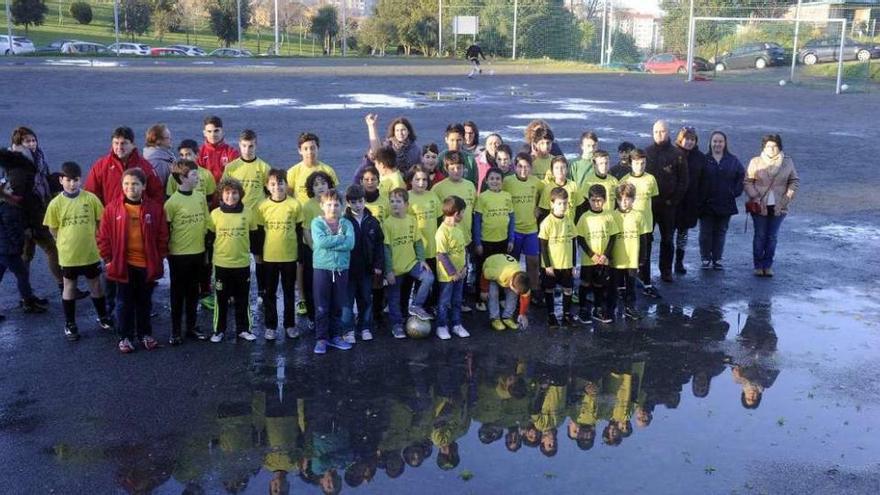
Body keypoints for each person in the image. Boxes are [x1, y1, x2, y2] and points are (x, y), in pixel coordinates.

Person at [97, 168, 168, 353]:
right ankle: (125, 337)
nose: (131, 188)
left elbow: (162, 236)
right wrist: (109, 260)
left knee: (144, 302)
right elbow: (103, 237)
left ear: (143, 186)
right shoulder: (112, 209)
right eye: (127, 184)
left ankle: (145, 334)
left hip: (146, 265)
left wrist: (159, 258)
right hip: (123, 265)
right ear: (122, 185)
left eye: (135, 184)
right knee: (123, 303)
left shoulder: (154, 209)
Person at [43, 161, 110, 339]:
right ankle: (70, 323)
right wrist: (62, 241)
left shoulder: (90, 199)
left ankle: (103, 317)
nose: (72, 184)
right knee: (69, 286)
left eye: (76, 180)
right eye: (68, 180)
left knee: (95, 284)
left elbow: (100, 221)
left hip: (90, 252)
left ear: (81, 180)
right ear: (61, 180)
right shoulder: (55, 204)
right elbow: (53, 228)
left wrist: (96, 239)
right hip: (69, 255)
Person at [11, 127, 69, 297]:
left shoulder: (37, 157)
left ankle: (26, 296)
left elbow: (43, 179)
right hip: (29, 216)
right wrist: (26, 224)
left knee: (26, 254)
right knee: (50, 249)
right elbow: (20, 195)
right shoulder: (20, 166)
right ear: (18, 144)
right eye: (27, 141)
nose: (32, 144)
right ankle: (62, 286)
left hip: (38, 210)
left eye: (33, 140)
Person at [207, 177, 260, 343]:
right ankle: (219, 330)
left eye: (235, 193)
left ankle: (243, 329)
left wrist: (257, 256)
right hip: (221, 265)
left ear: (240, 194)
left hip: (242, 264)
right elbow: (209, 238)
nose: (231, 196)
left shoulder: (248, 213)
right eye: (227, 193)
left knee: (242, 299)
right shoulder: (215, 214)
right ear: (221, 195)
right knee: (221, 300)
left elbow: (254, 237)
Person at [163, 160, 211, 344]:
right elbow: (166, 231)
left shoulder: (199, 197)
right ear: (182, 178)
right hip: (178, 255)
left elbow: (206, 221)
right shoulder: (172, 203)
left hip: (198, 252)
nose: (198, 177)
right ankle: (175, 331)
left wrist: (208, 242)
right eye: (194, 175)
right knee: (177, 293)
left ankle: (191, 327)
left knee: (193, 291)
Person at [222, 129, 271, 300]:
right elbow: (224, 193)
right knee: (235, 255)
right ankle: (233, 292)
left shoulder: (264, 167)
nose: (247, 149)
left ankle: (262, 291)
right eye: (244, 146)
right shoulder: (231, 167)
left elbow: (270, 193)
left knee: (259, 257)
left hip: (257, 220)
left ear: (256, 145)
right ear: (239, 145)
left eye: (251, 146)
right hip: (236, 219)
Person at [0, 151, 49, 317]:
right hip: (9, 249)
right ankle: (28, 302)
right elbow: (13, 229)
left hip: (3, 248)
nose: (11, 187)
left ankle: (28, 300)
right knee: (22, 274)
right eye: (7, 188)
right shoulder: (9, 208)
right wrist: (19, 244)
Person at [744, 134, 799, 277]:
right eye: (768, 146)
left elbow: (794, 181)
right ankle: (758, 265)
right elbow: (748, 181)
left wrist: (786, 199)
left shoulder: (788, 162)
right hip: (759, 205)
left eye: (774, 146)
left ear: (779, 147)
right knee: (760, 235)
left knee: (772, 237)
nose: (771, 149)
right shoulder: (755, 161)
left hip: (779, 206)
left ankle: (767, 265)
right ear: (764, 147)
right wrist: (755, 196)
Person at [382, 188, 434, 338]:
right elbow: (386, 249)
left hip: (411, 263)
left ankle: (416, 305)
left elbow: (417, 242)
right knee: (394, 298)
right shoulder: (387, 223)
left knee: (429, 277)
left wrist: (422, 260)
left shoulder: (412, 220)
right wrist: (389, 270)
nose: (395, 204)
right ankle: (397, 325)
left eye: (398, 201)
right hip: (395, 268)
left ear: (406, 204)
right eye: (392, 201)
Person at [257, 169, 301, 341]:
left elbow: (298, 230)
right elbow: (259, 233)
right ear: (267, 187)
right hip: (269, 258)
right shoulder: (262, 207)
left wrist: (298, 254)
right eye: (273, 184)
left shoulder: (294, 205)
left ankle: (290, 324)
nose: (277, 187)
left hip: (289, 256)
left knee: (289, 292)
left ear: (286, 184)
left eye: (281, 183)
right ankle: (270, 326)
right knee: (270, 293)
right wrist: (259, 254)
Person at [311, 189, 355, 354]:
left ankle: (335, 336)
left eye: (336, 204)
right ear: (322, 205)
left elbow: (350, 244)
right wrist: (339, 239)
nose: (333, 208)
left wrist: (333, 242)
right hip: (322, 268)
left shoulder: (347, 224)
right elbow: (321, 242)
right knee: (322, 306)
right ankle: (321, 339)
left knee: (337, 305)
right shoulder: (317, 223)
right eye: (329, 204)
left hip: (342, 269)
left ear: (341, 207)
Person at [645, 120, 688, 283]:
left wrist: (674, 200)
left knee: (668, 239)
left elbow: (684, 181)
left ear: (668, 132)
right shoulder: (647, 153)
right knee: (646, 239)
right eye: (656, 132)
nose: (659, 135)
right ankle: (644, 272)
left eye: (662, 131)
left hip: (669, 206)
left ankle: (666, 270)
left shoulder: (677, 154)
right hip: (649, 205)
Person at [342, 184, 384, 343]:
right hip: (348, 270)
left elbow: (379, 244)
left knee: (366, 299)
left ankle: (365, 327)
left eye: (360, 201)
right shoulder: (343, 222)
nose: (357, 205)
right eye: (353, 202)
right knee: (347, 301)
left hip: (367, 270)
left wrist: (379, 265)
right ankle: (347, 330)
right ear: (347, 203)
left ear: (365, 200)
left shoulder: (372, 221)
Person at [699, 131, 744, 270]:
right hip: (706, 203)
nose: (717, 144)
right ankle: (705, 257)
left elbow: (741, 177)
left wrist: (734, 192)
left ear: (725, 144)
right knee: (706, 232)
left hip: (725, 203)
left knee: (721, 231)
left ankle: (717, 258)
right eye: (715, 141)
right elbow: (697, 179)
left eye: (720, 141)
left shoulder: (732, 160)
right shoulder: (704, 159)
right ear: (710, 143)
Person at [296, 170, 334, 333]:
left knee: (331, 285)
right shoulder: (308, 206)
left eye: (323, 183)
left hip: (332, 250)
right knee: (312, 285)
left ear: (329, 185)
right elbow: (305, 230)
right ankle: (313, 317)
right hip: (312, 251)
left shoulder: (333, 203)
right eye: (316, 184)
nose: (320, 187)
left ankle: (330, 316)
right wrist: (315, 248)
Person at [85, 126, 164, 204]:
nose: (119, 147)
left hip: (139, 215)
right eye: (116, 143)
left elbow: (157, 195)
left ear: (133, 144)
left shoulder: (145, 167)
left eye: (124, 143)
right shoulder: (101, 166)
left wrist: (151, 214)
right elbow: (91, 195)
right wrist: (104, 215)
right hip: (110, 215)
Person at [576, 185, 619, 324]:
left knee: (600, 285)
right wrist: (591, 255)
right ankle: (583, 309)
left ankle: (597, 309)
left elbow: (613, 236)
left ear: (605, 200)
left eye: (599, 200)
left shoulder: (608, 216)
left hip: (603, 260)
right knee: (585, 283)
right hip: (589, 260)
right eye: (593, 200)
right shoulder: (584, 217)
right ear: (589, 200)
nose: (596, 203)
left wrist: (606, 255)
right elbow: (580, 239)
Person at [503, 152, 543, 300]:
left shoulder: (536, 182)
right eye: (520, 166)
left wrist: (539, 206)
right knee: (513, 263)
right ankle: (512, 291)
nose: (523, 170)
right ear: (514, 167)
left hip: (531, 228)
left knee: (533, 261)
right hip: (514, 230)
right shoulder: (508, 181)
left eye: (526, 167)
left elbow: (545, 192)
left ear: (531, 168)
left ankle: (534, 290)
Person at [473, 167, 514, 311]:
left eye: (498, 179)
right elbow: (477, 221)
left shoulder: (507, 196)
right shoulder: (482, 197)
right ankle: (480, 298)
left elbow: (511, 218)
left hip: (502, 241)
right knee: (483, 270)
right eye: (492, 179)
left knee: (501, 270)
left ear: (502, 181)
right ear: (487, 181)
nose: (495, 181)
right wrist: (477, 242)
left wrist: (511, 239)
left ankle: (501, 297)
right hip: (486, 241)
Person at [621, 149, 660, 298]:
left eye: (643, 163)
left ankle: (647, 284)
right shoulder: (625, 180)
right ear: (631, 163)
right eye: (637, 163)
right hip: (629, 226)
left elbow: (654, 201)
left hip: (646, 225)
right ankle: (624, 285)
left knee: (646, 256)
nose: (640, 166)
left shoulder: (651, 179)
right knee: (628, 254)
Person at [538, 187, 577, 327]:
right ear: (552, 204)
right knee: (549, 289)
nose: (563, 206)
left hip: (566, 264)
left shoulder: (569, 220)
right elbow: (542, 246)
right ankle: (551, 315)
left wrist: (573, 264)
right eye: (559, 203)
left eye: (565, 203)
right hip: (551, 265)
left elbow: (573, 242)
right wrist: (547, 265)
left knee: (568, 289)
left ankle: (566, 315)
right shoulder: (547, 222)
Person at [406, 166, 441, 313]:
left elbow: (439, 220)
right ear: (410, 181)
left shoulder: (432, 196)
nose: (421, 183)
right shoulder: (407, 197)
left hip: (432, 248)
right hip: (414, 251)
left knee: (433, 281)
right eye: (417, 179)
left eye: (424, 179)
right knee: (412, 283)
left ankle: (427, 307)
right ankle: (409, 309)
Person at [434, 196, 470, 340]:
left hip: (460, 274)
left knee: (457, 300)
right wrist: (453, 273)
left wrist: (464, 268)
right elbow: (441, 255)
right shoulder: (442, 232)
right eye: (463, 212)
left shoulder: (458, 229)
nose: (463, 215)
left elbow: (463, 250)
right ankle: (441, 326)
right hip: (448, 276)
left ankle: (456, 324)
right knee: (444, 302)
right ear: (457, 213)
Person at [673, 126, 706, 275]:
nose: (689, 142)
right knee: (667, 236)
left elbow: (703, 180)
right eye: (687, 139)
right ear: (680, 139)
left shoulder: (700, 157)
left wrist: (699, 201)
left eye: (693, 139)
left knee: (683, 234)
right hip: (672, 202)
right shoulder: (672, 153)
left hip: (690, 203)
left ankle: (679, 262)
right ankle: (666, 265)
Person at [610, 183, 645, 320]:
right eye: (620, 199)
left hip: (632, 259)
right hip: (616, 259)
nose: (623, 202)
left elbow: (643, 239)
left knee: (631, 285)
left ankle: (630, 308)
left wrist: (642, 257)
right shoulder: (612, 216)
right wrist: (609, 256)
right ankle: (611, 309)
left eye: (627, 199)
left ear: (633, 199)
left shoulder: (638, 216)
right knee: (614, 286)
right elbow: (609, 239)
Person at [287, 132, 339, 205]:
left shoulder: (328, 171)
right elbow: (288, 198)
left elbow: (334, 196)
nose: (310, 152)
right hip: (302, 214)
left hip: (324, 213)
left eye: (312, 148)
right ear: (300, 151)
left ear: (318, 148)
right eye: (305, 149)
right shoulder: (292, 172)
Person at [482, 254, 530, 331]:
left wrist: (522, 314)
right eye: (518, 292)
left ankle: (507, 317)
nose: (518, 294)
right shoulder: (498, 274)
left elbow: (525, 298)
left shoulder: (523, 280)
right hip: (491, 265)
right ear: (510, 284)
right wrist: (484, 290)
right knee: (493, 294)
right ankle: (495, 318)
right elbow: (485, 274)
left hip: (506, 267)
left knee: (513, 294)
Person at [537, 156, 585, 223]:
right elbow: (544, 212)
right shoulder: (548, 188)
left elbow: (579, 209)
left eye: (563, 167)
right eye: (556, 168)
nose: (560, 170)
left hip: (570, 227)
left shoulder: (574, 186)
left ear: (567, 169)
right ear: (552, 171)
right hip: (555, 227)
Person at [198, 115, 239, 185]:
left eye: (216, 131)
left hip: (226, 192)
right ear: (204, 133)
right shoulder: (199, 153)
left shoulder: (232, 153)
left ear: (222, 132)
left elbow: (237, 177)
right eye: (209, 131)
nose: (213, 134)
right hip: (205, 193)